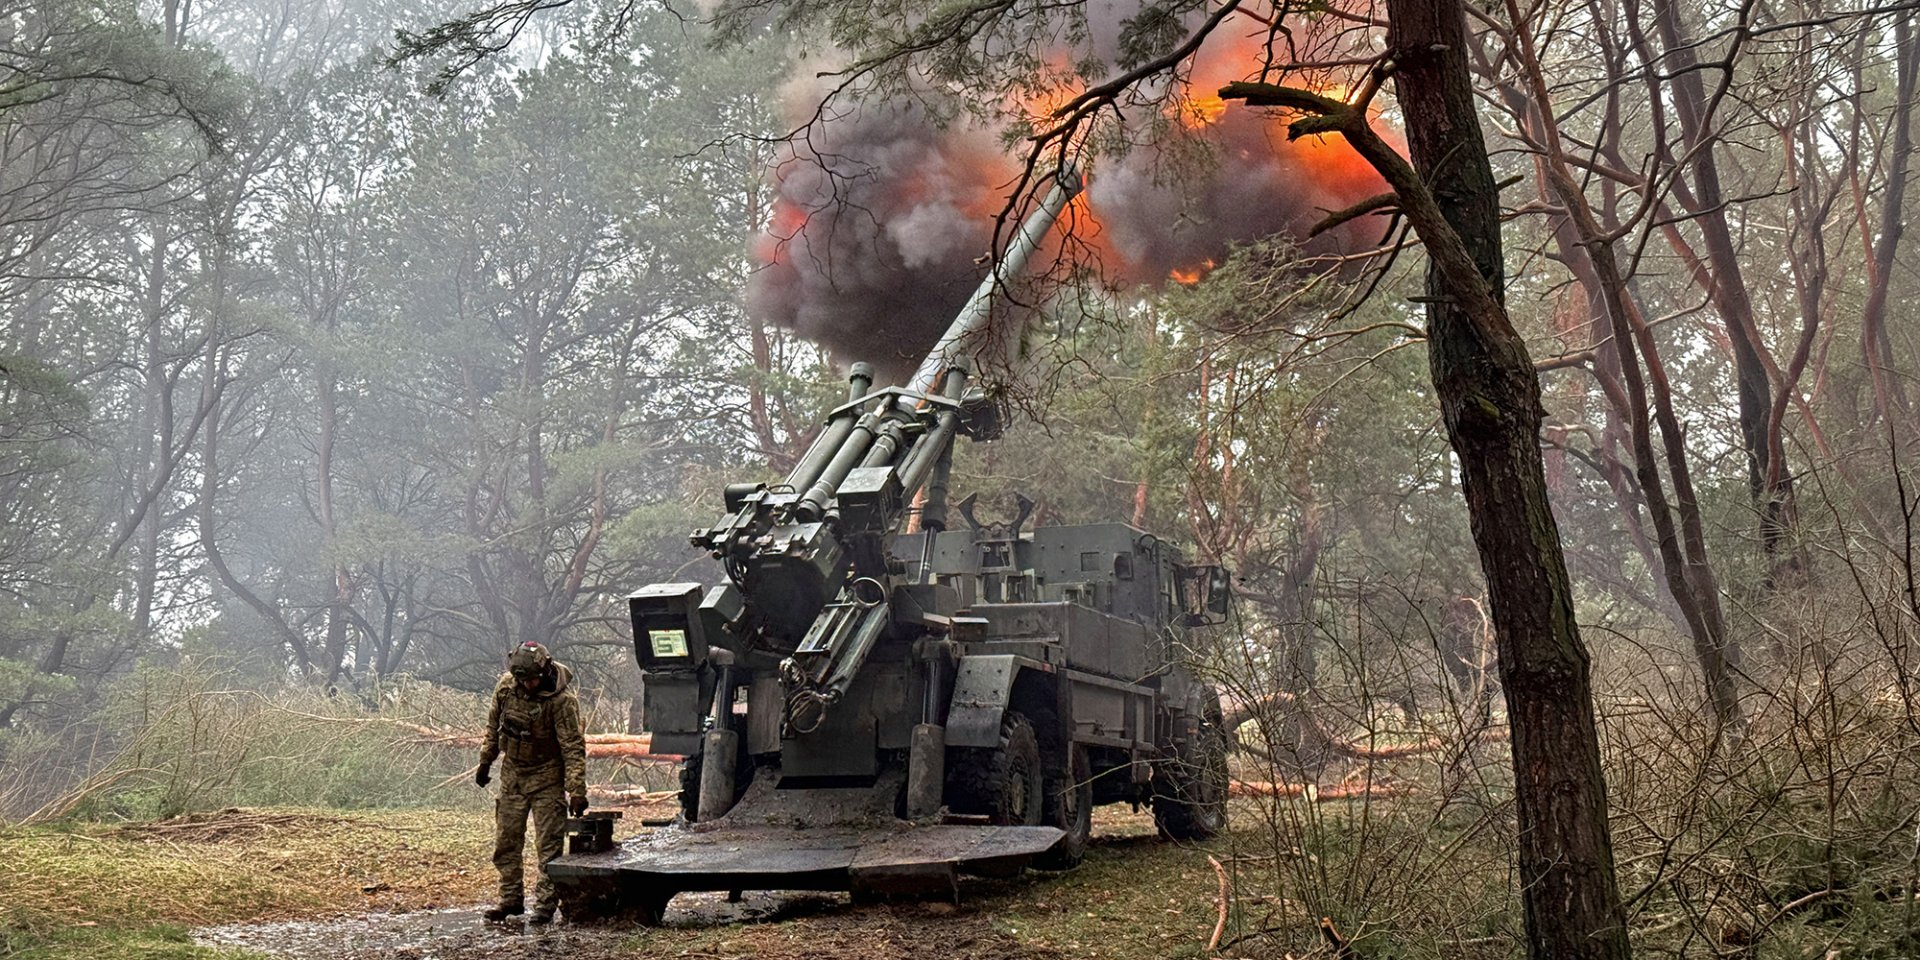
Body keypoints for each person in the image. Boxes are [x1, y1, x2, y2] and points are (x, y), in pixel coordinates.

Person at [474, 640, 589, 924]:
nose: (528, 686)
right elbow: (493, 727)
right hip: (513, 774)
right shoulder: (506, 688)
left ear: (545, 669)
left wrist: (576, 790)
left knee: (548, 847)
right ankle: (510, 899)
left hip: (547, 778)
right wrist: (486, 761)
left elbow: (573, 748)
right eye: (522, 680)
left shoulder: (562, 702)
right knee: (506, 842)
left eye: (533, 680)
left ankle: (545, 906)